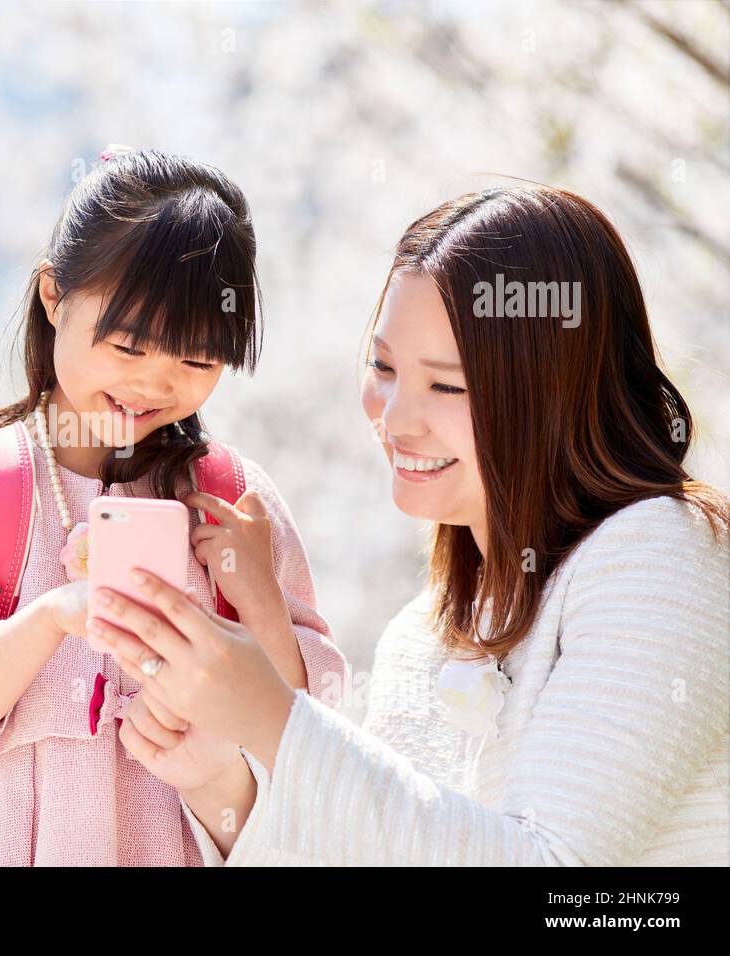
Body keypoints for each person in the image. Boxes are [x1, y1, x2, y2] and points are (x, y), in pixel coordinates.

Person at [89, 184, 730, 865]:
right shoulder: (419, 640)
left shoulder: (659, 554)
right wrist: (219, 781)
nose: (394, 419)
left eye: (447, 385)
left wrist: (277, 720)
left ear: (555, 389)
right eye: (383, 367)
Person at [0, 147, 348, 865]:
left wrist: (255, 594)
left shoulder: (231, 502)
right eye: (128, 345)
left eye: (196, 362)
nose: (154, 384)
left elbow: (300, 733)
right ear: (53, 297)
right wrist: (58, 614)